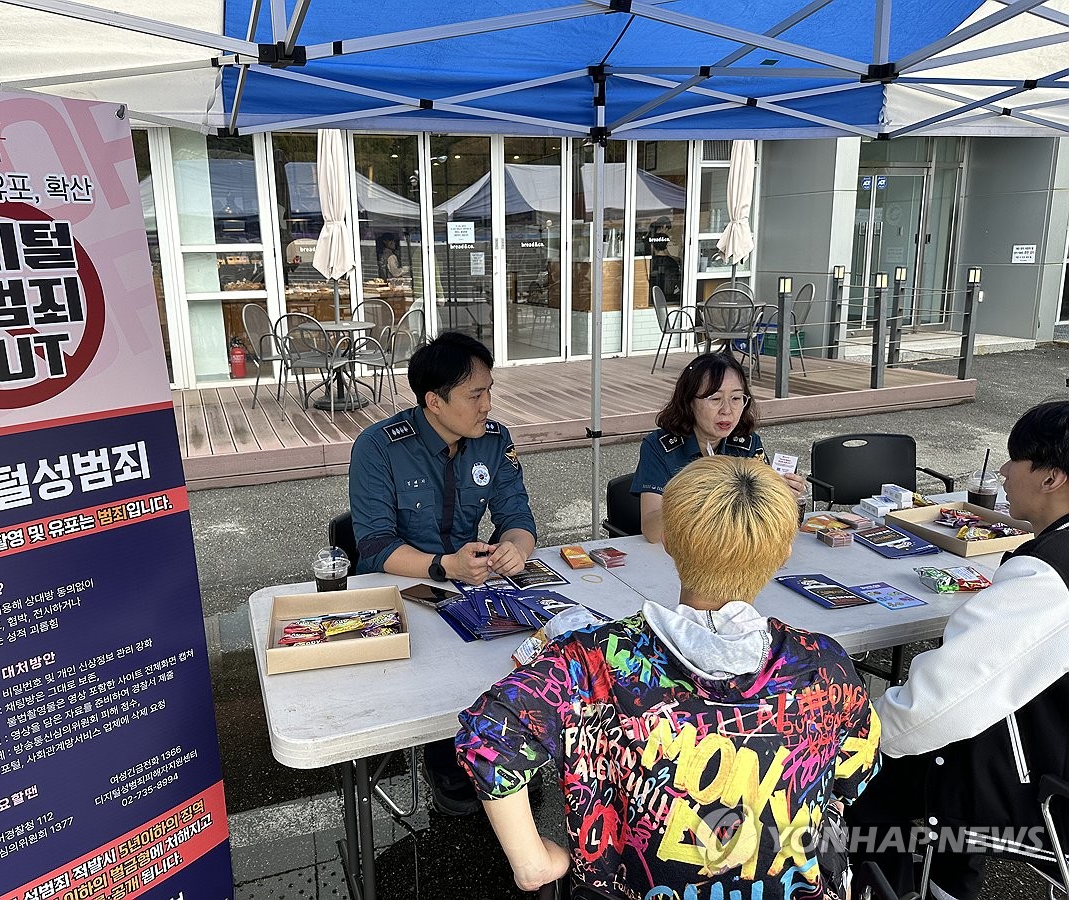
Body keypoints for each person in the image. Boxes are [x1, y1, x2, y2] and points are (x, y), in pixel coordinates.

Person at [457, 456, 881, 899]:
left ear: (671, 543)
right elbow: (853, 778)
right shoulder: (824, 665)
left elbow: (489, 736)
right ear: (784, 550)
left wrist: (533, 863)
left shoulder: (594, 661)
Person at [849, 399, 1069, 900]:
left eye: (1015, 460)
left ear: (1052, 478)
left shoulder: (1049, 578)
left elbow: (931, 710)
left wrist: (850, 738)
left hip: (1039, 789)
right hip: (1049, 747)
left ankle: (929, 883)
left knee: (870, 784)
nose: (1006, 474)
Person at [349, 330, 537, 816]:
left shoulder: (494, 442)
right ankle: (447, 756)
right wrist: (443, 565)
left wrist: (515, 550)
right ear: (434, 400)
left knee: (522, 661)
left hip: (477, 588)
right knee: (441, 686)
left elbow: (518, 518)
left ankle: (499, 750)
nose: (488, 405)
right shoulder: (379, 447)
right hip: (406, 590)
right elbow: (373, 546)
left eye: (489, 391)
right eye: (475, 394)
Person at [631, 351, 806, 543]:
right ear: (689, 402)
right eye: (715, 399)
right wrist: (699, 497)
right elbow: (651, 531)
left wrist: (782, 497)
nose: (727, 410)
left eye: (736, 398)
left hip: (732, 552)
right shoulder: (659, 446)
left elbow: (762, 524)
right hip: (679, 554)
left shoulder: (746, 443)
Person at [647, 215, 682, 305]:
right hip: (669, 298)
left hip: (652, 297)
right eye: (667, 229)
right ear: (664, 227)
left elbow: (664, 252)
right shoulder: (654, 238)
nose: (667, 232)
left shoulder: (651, 262)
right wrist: (674, 259)